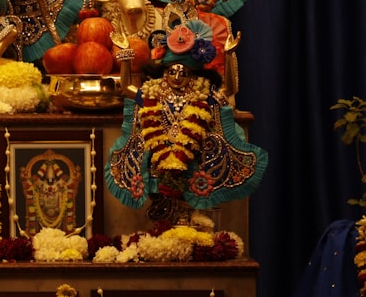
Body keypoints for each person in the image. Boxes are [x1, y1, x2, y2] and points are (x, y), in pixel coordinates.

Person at [106, 19, 267, 225]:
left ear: (193, 75)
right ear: (164, 72)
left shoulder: (201, 93)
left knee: (190, 213)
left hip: (193, 164)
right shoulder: (154, 93)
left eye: (184, 73)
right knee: (162, 215)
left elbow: (228, 90)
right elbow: (127, 87)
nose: (177, 77)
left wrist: (228, 55)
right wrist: (126, 54)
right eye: (171, 71)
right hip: (159, 165)